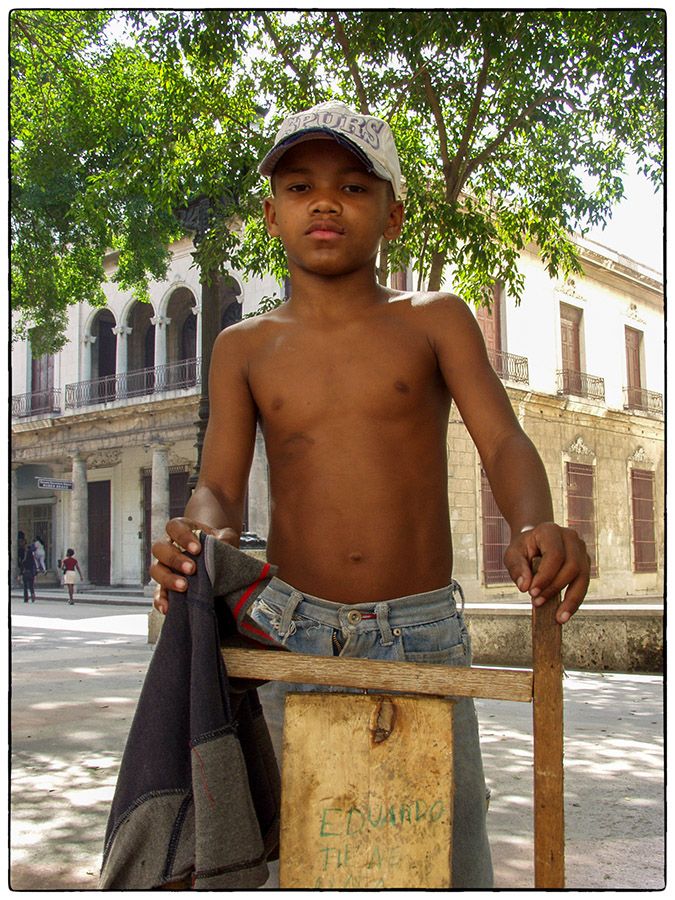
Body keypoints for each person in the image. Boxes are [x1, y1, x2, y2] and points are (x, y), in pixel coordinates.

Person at [150, 101, 590, 888]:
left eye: (353, 187)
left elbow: (501, 440)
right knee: (299, 849)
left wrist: (535, 521)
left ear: (392, 215)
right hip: (290, 635)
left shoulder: (434, 319)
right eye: (299, 187)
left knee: (443, 854)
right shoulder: (242, 346)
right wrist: (198, 539)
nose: (325, 203)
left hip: (421, 634)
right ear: (271, 215)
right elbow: (217, 487)